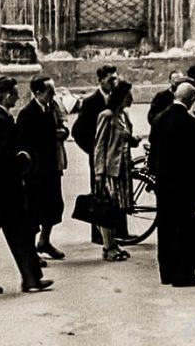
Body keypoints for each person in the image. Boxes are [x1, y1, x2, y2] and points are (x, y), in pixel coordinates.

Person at [0, 76, 53, 296]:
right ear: (7, 96)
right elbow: (3, 158)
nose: (17, 97)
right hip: (4, 192)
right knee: (21, 236)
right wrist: (23, 159)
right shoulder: (2, 121)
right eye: (15, 94)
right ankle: (31, 280)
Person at [149, 82, 195, 287]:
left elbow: (153, 153)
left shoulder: (159, 119)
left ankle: (167, 272)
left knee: (165, 228)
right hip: (184, 185)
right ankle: (184, 275)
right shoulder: (190, 123)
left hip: (164, 184)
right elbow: (194, 159)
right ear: (191, 100)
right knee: (184, 229)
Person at [16, 76, 68, 261]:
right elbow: (23, 144)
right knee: (33, 212)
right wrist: (51, 136)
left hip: (52, 167)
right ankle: (31, 251)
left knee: (53, 206)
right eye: (50, 92)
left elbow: (63, 125)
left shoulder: (52, 108)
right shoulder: (27, 114)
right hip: (36, 172)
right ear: (38, 93)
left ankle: (44, 241)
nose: (53, 95)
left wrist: (63, 133)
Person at [71, 65, 119, 244]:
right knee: (99, 195)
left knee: (116, 194)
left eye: (115, 78)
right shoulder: (91, 102)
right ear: (100, 81)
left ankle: (117, 232)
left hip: (113, 156)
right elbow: (77, 131)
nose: (114, 83)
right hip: (99, 156)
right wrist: (92, 150)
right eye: (110, 79)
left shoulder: (116, 98)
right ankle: (98, 234)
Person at [94, 80, 139, 261]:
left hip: (124, 167)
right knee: (108, 208)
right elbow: (100, 145)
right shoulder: (106, 115)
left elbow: (124, 137)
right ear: (121, 97)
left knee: (117, 207)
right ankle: (108, 246)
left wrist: (132, 139)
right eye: (129, 96)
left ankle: (112, 243)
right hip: (111, 169)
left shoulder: (123, 115)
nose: (132, 99)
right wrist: (99, 172)